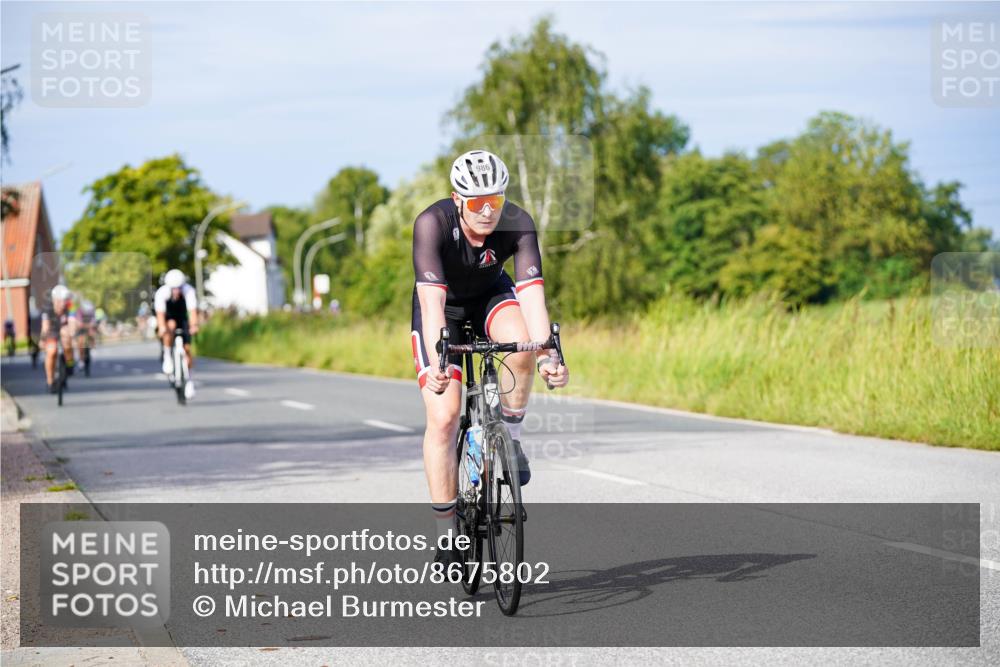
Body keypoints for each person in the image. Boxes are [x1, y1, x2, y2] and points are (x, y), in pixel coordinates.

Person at [411, 149, 569, 567]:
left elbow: (532, 297)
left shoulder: (518, 223)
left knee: (523, 347)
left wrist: (548, 355)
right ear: (457, 197)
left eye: (494, 201)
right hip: (442, 308)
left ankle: (510, 442)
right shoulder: (433, 223)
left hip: (490, 296)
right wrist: (439, 362)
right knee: (444, 417)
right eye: (477, 202)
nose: (486, 211)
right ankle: (448, 537)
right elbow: (431, 305)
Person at [154, 269, 199, 399]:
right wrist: (162, 327)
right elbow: (160, 315)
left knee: (187, 350)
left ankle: (189, 381)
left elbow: (192, 311)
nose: (176, 291)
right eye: (174, 289)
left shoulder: (189, 291)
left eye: (179, 288)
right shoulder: (161, 293)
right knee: (170, 325)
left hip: (182, 317)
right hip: (169, 317)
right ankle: (167, 355)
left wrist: (194, 325)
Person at [40, 284, 79, 393]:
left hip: (64, 327)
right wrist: (43, 339)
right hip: (52, 330)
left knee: (66, 335)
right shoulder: (47, 307)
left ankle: (70, 363)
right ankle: (50, 381)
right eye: (60, 301)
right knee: (51, 352)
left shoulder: (70, 305)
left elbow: (72, 321)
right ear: (54, 300)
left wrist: (72, 333)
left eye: (64, 301)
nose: (62, 304)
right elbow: (45, 326)